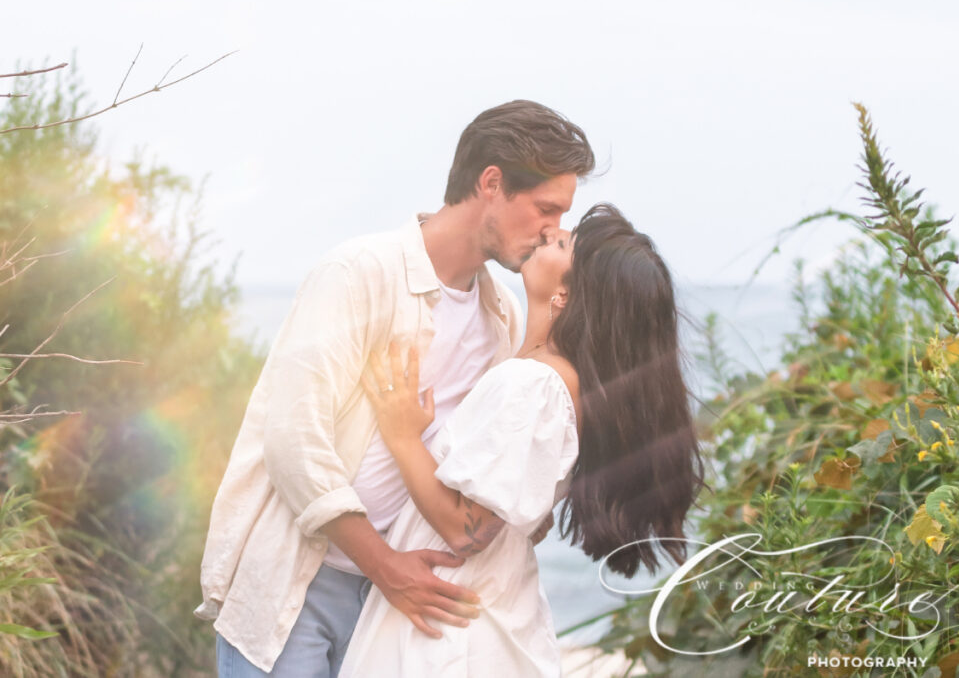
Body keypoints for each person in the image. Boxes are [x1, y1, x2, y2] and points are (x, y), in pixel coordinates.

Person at [196, 100, 595, 675]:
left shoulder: (504, 317)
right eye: (545, 208)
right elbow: (292, 438)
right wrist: (384, 564)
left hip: (404, 607)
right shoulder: (358, 272)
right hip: (301, 585)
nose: (553, 230)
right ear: (491, 183)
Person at [340, 204, 708, 677]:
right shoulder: (546, 374)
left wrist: (402, 434)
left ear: (567, 294)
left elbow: (464, 529)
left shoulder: (535, 385)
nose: (550, 231)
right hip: (475, 607)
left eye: (561, 243)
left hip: (452, 628)